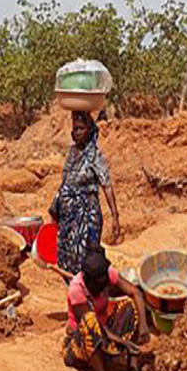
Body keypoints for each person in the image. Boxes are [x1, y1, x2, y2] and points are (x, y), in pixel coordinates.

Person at [62, 249, 149, 371]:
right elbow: (94, 327)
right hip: (82, 346)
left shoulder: (106, 274)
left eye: (105, 283)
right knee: (90, 321)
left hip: (105, 336)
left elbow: (136, 293)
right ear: (89, 281)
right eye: (99, 285)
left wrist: (143, 326)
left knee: (129, 305)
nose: (103, 288)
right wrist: (123, 342)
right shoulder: (77, 289)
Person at [50, 112, 120, 276]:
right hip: (68, 216)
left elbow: (107, 185)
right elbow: (65, 182)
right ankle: (73, 288)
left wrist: (115, 217)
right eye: (75, 129)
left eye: (81, 128)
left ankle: (91, 291)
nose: (77, 132)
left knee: (88, 256)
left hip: (87, 214)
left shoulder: (95, 155)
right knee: (66, 252)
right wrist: (55, 209)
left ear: (89, 130)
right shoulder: (72, 153)